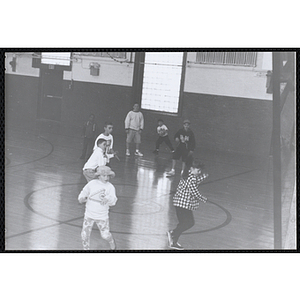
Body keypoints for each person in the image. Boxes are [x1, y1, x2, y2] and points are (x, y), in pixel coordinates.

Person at [167, 160, 208, 250]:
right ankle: (173, 234)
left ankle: (173, 239)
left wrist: (204, 176)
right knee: (189, 223)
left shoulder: (188, 175)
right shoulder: (191, 178)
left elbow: (196, 181)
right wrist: (204, 199)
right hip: (183, 204)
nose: (199, 172)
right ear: (192, 169)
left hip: (180, 203)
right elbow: (194, 192)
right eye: (198, 171)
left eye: (200, 171)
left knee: (185, 223)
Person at [78, 165, 117, 250]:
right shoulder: (92, 184)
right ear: (98, 176)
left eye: (108, 176)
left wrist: (108, 199)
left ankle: (111, 241)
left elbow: (113, 201)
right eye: (104, 176)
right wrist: (81, 198)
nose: (106, 178)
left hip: (102, 216)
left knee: (105, 235)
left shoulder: (110, 187)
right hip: (89, 215)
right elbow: (84, 192)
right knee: (84, 235)